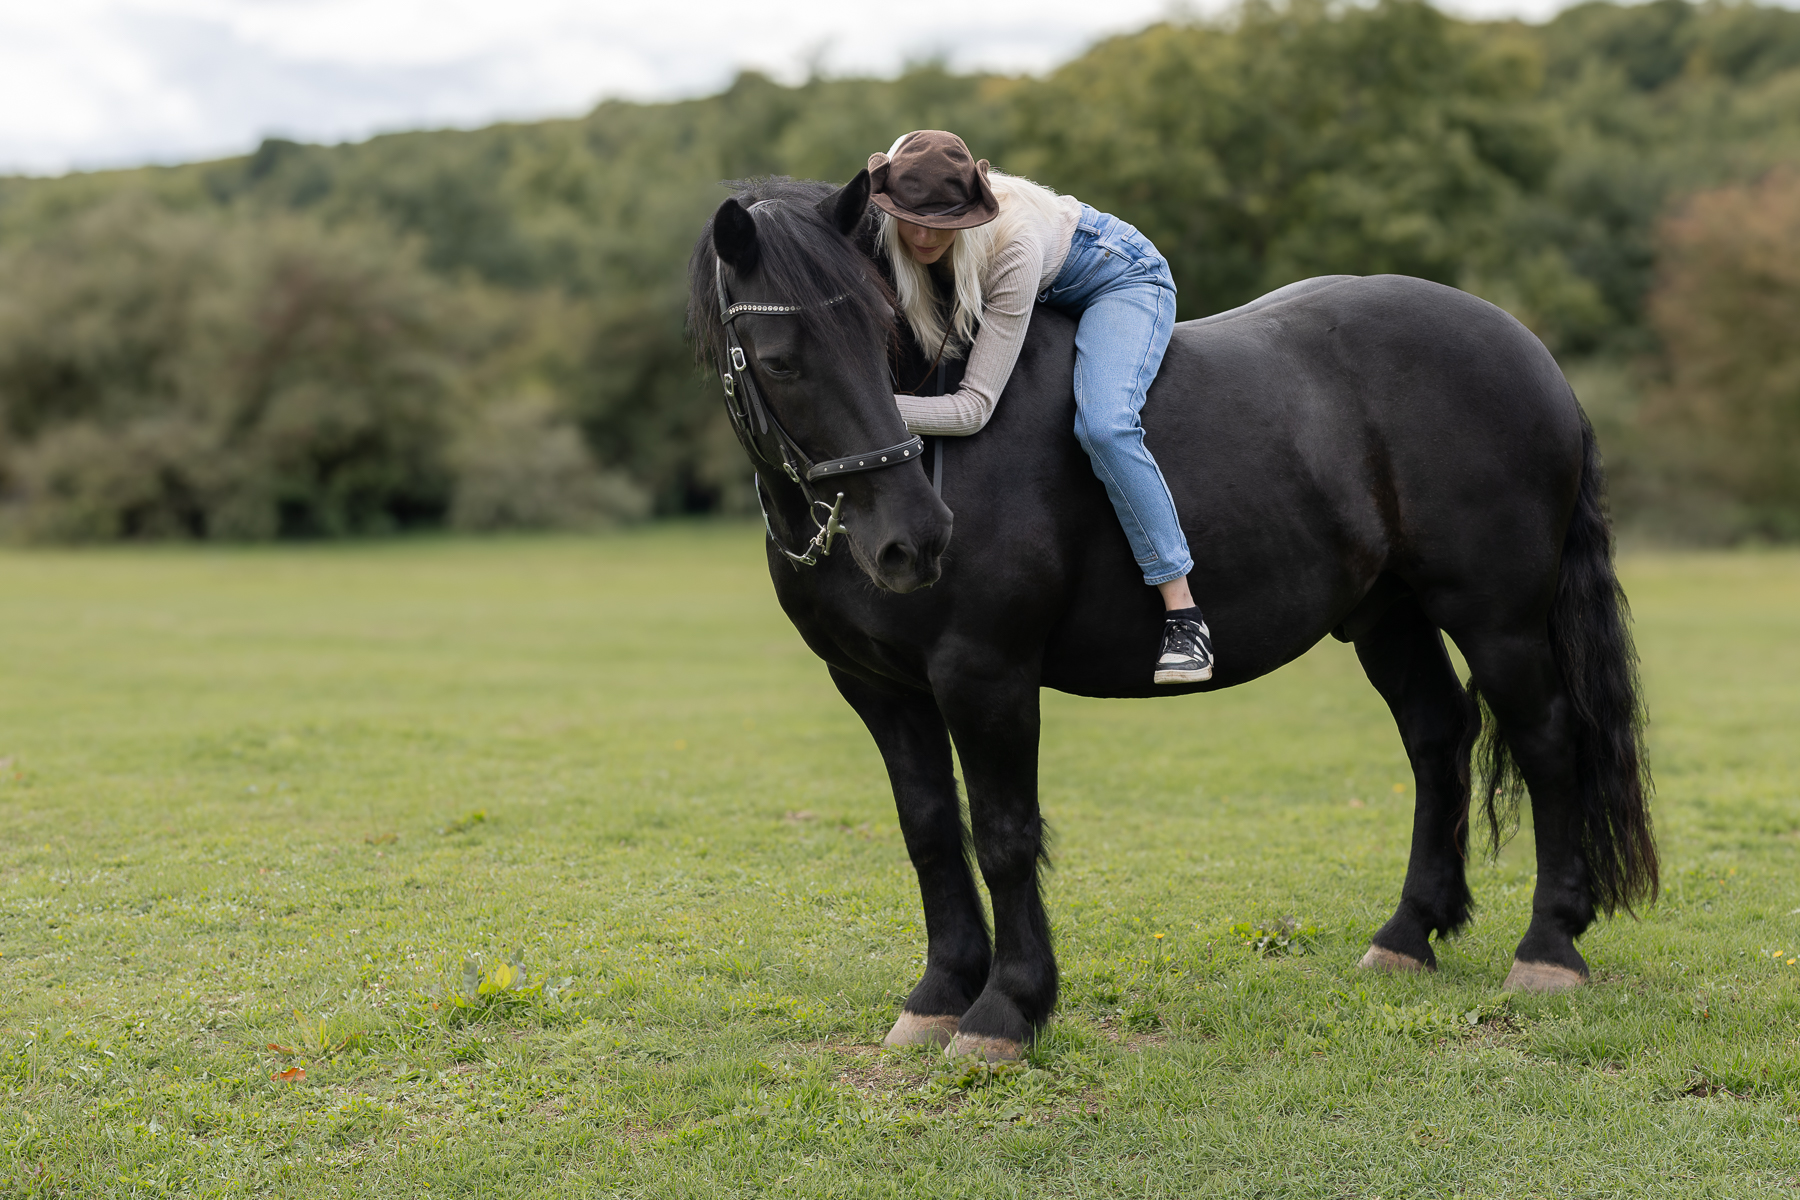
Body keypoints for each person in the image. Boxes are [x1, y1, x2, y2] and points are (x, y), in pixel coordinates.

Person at [867, 130, 1214, 684]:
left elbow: (973, 409)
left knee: (1104, 426)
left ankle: (1184, 613)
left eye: (944, 222)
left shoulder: (1012, 248)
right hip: (1045, 287)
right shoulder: (887, 224)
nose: (924, 235)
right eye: (911, 218)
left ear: (969, 214)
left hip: (1119, 276)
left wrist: (868, 412)